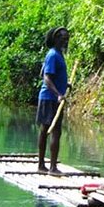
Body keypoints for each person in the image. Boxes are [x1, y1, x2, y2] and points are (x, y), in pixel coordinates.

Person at [36, 27, 70, 174]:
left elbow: (43, 72)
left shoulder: (58, 54)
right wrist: (58, 94)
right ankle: (50, 167)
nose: (65, 39)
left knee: (49, 131)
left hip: (52, 97)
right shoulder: (53, 55)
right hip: (49, 98)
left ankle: (44, 166)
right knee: (52, 131)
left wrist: (64, 84)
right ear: (56, 38)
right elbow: (46, 78)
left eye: (67, 37)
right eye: (62, 37)